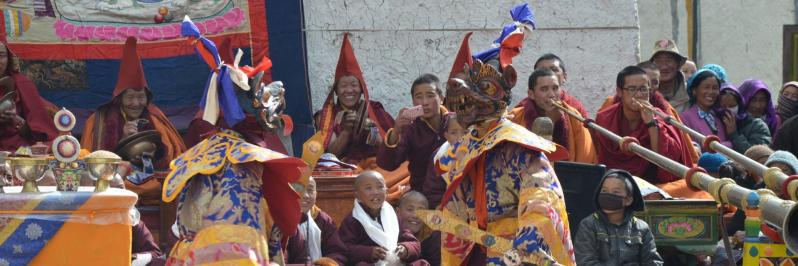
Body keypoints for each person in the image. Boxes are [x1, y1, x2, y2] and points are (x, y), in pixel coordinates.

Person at [435, 32, 575, 265]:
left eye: (482, 87)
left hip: (515, 249)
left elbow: (542, 200)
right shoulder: (463, 147)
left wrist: (521, 248)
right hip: (475, 247)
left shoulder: (521, 146)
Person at [81, 37, 186, 169]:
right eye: (130, 97)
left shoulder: (156, 118)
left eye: (141, 97)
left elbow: (172, 157)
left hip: (151, 179)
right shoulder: (98, 121)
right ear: (119, 98)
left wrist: (155, 152)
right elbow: (90, 161)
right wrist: (122, 139)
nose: (136, 103)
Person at [595, 66, 694, 184]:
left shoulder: (660, 117)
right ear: (619, 92)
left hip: (652, 182)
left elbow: (665, 163)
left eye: (643, 89)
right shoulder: (605, 118)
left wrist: (651, 123)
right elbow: (598, 158)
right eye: (632, 89)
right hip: (613, 182)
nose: (638, 95)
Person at [313, 33, 395, 165]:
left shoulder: (375, 110)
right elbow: (328, 156)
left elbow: (392, 150)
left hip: (376, 168)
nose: (349, 90)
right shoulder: (326, 116)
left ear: (362, 89)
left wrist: (371, 131)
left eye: (354, 85)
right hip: (344, 169)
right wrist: (346, 131)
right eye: (343, 86)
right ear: (336, 91)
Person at [574, 169, 663, 266]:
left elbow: (653, 262)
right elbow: (585, 262)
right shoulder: (589, 225)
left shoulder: (641, 228)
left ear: (628, 200)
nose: (608, 195)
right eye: (604, 191)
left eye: (615, 192)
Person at [338, 171, 427, 265]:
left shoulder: (392, 216)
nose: (375, 192)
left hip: (396, 262)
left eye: (380, 187)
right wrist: (369, 252)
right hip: (372, 263)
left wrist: (405, 249)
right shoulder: (353, 220)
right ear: (357, 195)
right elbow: (345, 248)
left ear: (387, 192)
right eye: (369, 188)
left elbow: (413, 242)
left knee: (422, 263)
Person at [509, 68, 597, 163]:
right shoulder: (515, 117)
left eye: (555, 88)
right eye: (544, 89)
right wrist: (551, 122)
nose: (551, 94)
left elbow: (586, 157)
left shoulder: (573, 116)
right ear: (531, 94)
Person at [377, 73, 447, 193]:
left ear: (441, 98)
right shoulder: (410, 127)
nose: (424, 102)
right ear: (413, 101)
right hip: (422, 193)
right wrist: (396, 131)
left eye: (430, 96)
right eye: (419, 97)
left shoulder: (453, 122)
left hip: (453, 191)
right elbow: (387, 164)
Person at [0, 41, 58, 151]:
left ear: (9, 59)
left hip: (16, 150)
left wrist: (15, 120)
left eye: (1, 55)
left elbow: (39, 135)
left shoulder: (22, 84)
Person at [285, 177, 348, 265]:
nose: (305, 195)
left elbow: (337, 251)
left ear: (316, 194)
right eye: (299, 189)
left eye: (310, 190)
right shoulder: (282, 221)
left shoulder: (323, 219)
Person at [679, 69, 733, 148]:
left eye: (715, 88)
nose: (711, 92)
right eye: (706, 87)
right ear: (694, 91)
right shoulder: (684, 118)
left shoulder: (720, 117)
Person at [421, 112, 464, 208]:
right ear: (446, 136)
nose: (460, 138)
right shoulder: (440, 157)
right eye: (453, 133)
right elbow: (432, 192)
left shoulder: (480, 149)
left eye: (465, 132)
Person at [526, 53, 589, 117]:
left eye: (554, 70)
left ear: (564, 77)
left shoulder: (575, 108)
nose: (549, 74)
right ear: (531, 94)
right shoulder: (522, 109)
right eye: (543, 70)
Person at [717, 82, 772, 153]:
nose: (757, 106)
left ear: (740, 104)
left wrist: (734, 134)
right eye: (723, 106)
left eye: (731, 106)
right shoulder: (714, 120)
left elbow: (757, 156)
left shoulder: (758, 125)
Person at [395, 191, 440, 266]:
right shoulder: (390, 229)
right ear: (398, 212)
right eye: (410, 209)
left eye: (421, 211)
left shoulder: (432, 237)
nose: (415, 215)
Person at [650, 39, 690, 112]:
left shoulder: (691, 92)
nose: (664, 67)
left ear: (678, 64)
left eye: (669, 60)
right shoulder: (646, 94)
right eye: (658, 61)